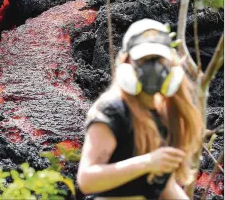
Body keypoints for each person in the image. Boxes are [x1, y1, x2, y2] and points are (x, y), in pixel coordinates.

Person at [77, 19, 203, 200]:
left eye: (159, 59)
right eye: (144, 59)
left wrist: (153, 165)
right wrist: (148, 162)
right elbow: (87, 180)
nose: (153, 68)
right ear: (127, 63)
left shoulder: (163, 115)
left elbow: (164, 187)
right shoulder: (112, 111)